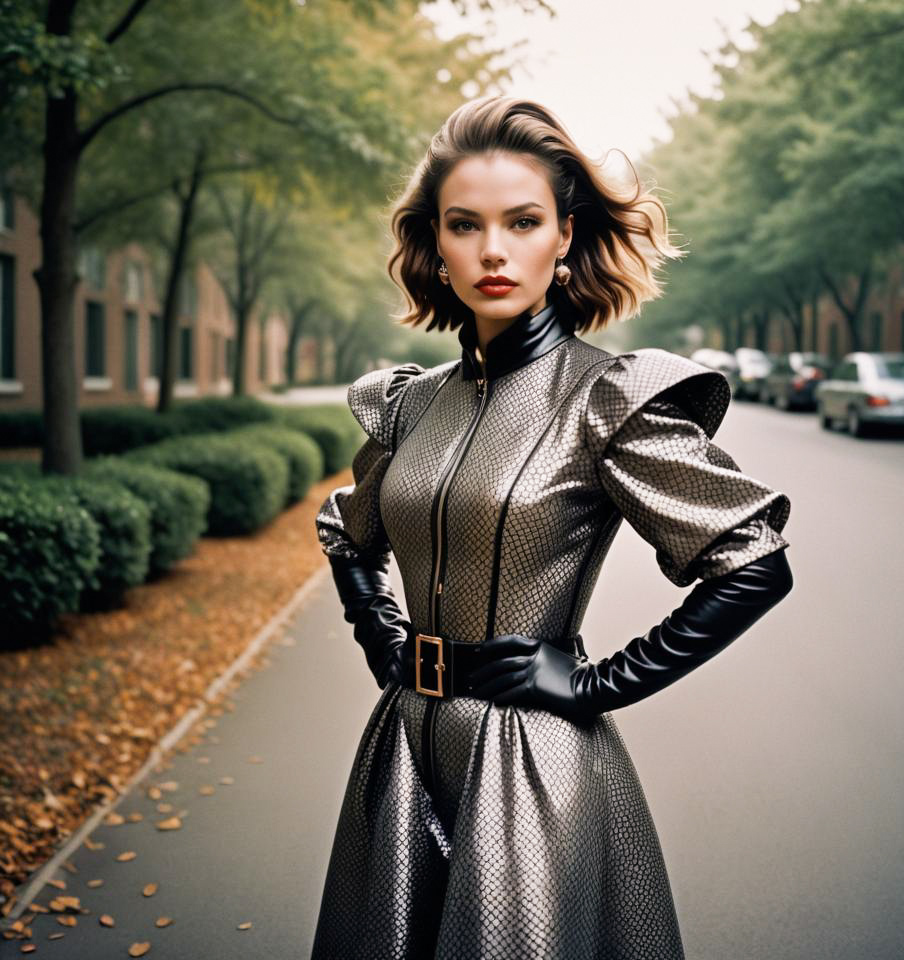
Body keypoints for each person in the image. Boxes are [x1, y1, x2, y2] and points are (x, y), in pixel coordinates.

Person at [309, 96, 794, 960]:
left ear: (563, 237)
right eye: (465, 225)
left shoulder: (603, 400)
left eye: (522, 221)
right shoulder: (411, 405)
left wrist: (596, 683)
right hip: (401, 751)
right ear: (436, 244)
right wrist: (379, 630)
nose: (493, 250)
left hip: (530, 762)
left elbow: (752, 561)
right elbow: (350, 533)